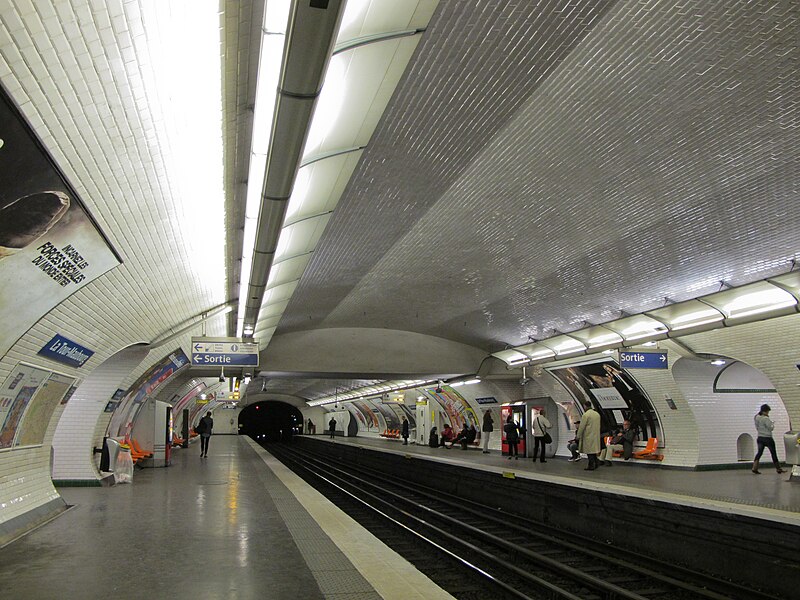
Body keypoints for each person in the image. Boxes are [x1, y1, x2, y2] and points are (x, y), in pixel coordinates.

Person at [752, 404, 785, 474]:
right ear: (765, 411)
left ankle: (754, 467)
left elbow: (757, 426)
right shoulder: (766, 419)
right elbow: (770, 428)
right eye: (767, 411)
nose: (768, 413)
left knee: (759, 453)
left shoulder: (756, 417)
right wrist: (772, 423)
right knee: (773, 453)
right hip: (768, 438)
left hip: (760, 437)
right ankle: (778, 468)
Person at [576, 401, 601, 470]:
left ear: (585, 406)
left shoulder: (586, 415)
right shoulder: (597, 414)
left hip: (588, 436)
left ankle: (591, 465)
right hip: (595, 436)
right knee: (593, 451)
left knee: (589, 452)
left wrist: (578, 436)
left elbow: (582, 427)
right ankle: (596, 463)